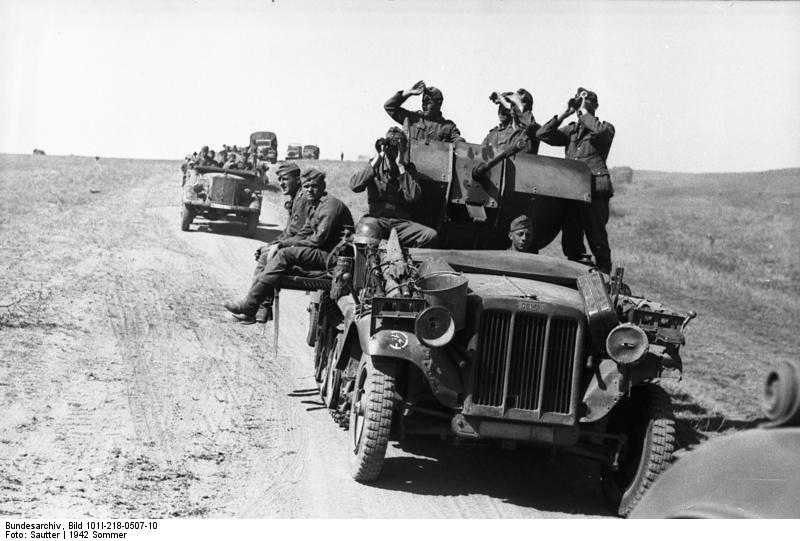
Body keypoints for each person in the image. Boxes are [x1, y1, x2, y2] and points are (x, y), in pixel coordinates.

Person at [224, 168, 353, 324]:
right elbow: (302, 233)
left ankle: (249, 305)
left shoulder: (330, 205)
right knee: (270, 255)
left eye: (314, 186)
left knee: (285, 255)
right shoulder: (315, 205)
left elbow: (317, 240)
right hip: (323, 252)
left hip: (334, 258)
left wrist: (285, 249)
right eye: (306, 187)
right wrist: (279, 245)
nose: (310, 190)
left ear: (323, 186)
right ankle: (256, 310)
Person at [536, 87, 615, 273]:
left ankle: (604, 271)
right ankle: (578, 267)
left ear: (595, 106)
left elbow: (600, 132)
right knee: (571, 236)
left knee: (596, 235)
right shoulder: (571, 131)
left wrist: (585, 114)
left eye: (586, 103)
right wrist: (566, 113)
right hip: (572, 191)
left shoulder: (604, 128)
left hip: (594, 190)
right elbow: (542, 134)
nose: (581, 108)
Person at [350, 127, 439, 248]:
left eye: (398, 146)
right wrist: (378, 158)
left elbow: (414, 197)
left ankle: (407, 264)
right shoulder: (375, 165)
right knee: (367, 230)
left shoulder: (408, 169)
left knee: (429, 235)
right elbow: (355, 186)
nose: (393, 149)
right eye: (390, 145)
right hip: (377, 219)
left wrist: (401, 165)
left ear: (405, 148)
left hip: (400, 222)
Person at [247, 162, 307, 322]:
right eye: (279, 179)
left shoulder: (302, 200)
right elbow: (288, 232)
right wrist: (270, 244)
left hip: (305, 247)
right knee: (266, 252)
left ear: (298, 179)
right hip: (299, 243)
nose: (281, 183)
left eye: (285, 179)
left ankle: (258, 307)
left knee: (267, 257)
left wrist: (275, 246)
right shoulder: (296, 198)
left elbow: (297, 234)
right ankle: (259, 308)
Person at [384, 80, 464, 144]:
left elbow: (459, 142)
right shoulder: (413, 119)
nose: (424, 105)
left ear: (439, 103)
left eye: (428, 102)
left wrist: (460, 143)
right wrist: (409, 92)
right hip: (411, 164)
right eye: (423, 102)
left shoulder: (448, 127)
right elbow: (389, 107)